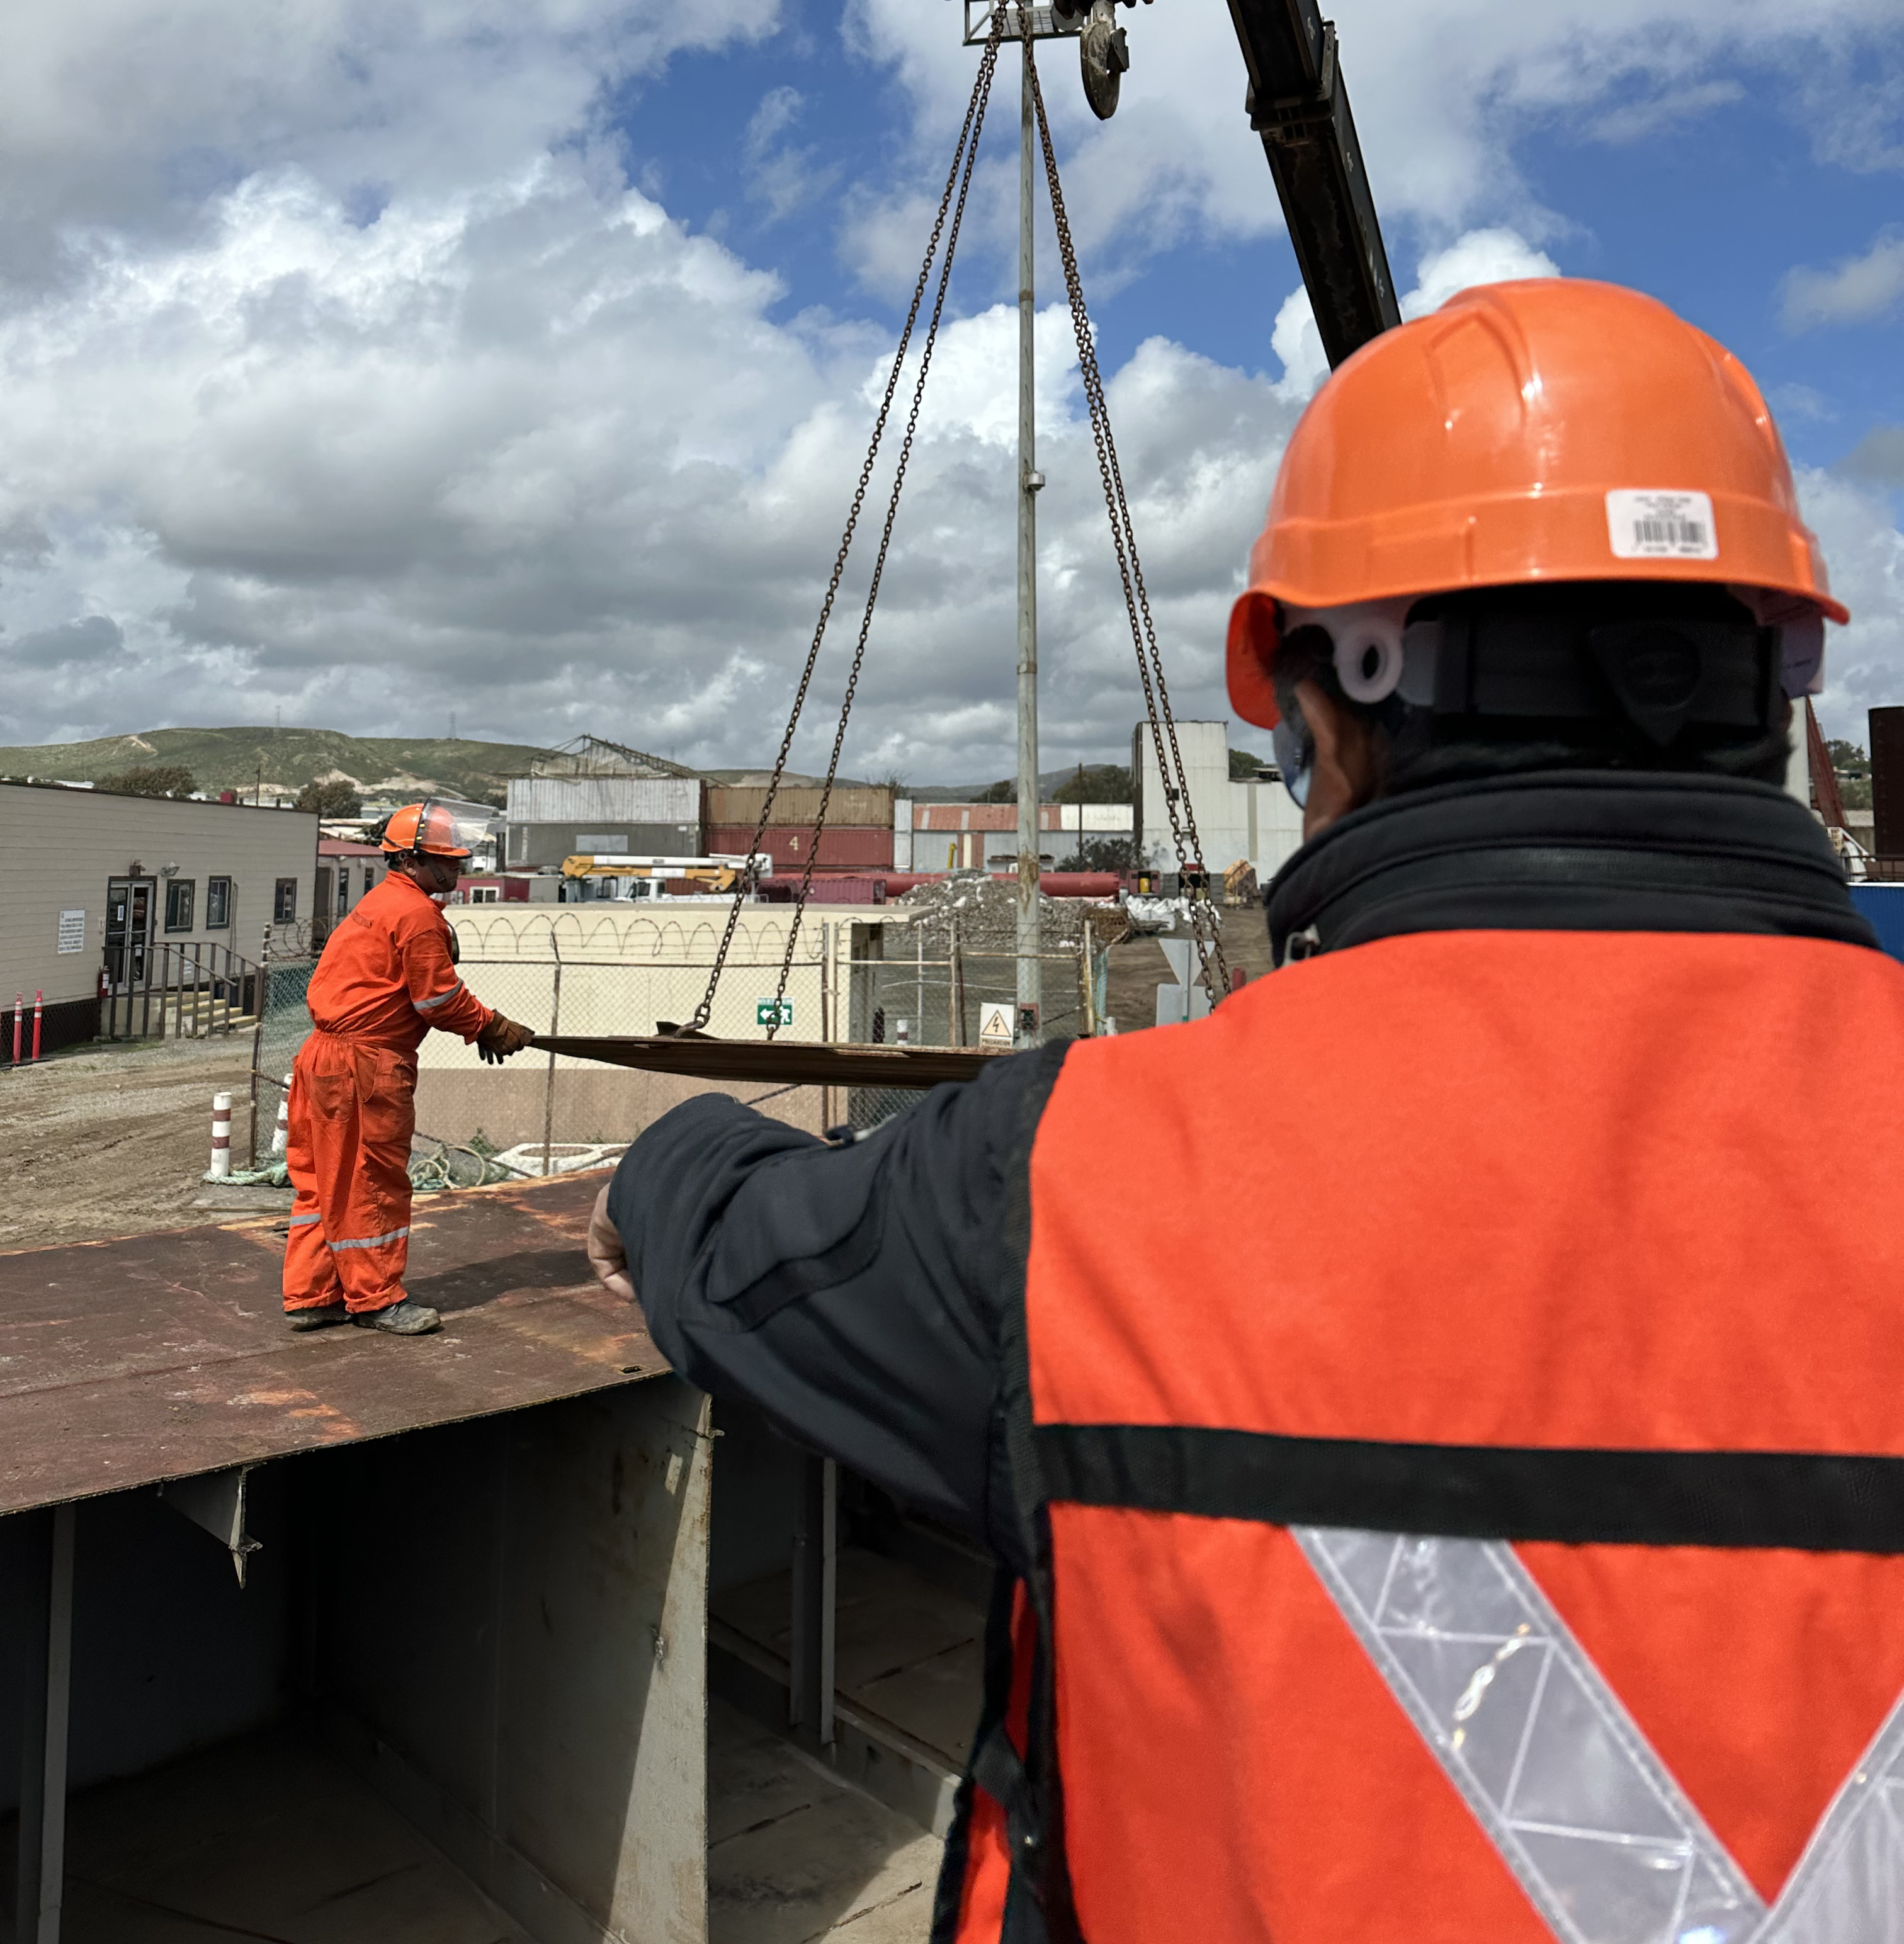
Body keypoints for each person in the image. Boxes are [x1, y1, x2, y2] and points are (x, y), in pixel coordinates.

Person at [587, 279, 1904, 1943]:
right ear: (1779, 680)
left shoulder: (1085, 1178)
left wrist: (674, 1149)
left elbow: (737, 1255)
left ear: (1322, 699)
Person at [283, 798, 533, 1337]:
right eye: (449, 859)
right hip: (364, 1065)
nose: (460, 866)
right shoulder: (417, 916)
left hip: (322, 1058)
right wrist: (487, 1025)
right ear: (413, 859)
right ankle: (375, 1300)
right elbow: (438, 1000)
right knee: (370, 1181)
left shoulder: (381, 903)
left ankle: (312, 1295)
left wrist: (478, 1024)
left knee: (323, 1182)